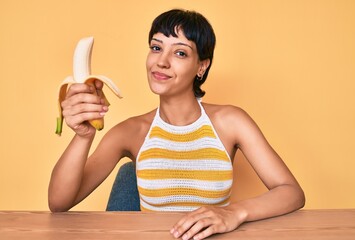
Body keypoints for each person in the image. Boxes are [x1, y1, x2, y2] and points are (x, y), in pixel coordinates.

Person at [48, 9, 305, 240]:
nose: (161, 61)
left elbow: (291, 191)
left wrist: (233, 213)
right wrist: (84, 135)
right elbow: (59, 203)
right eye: (156, 47)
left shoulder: (231, 122)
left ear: (201, 66)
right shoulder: (130, 132)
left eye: (180, 52)